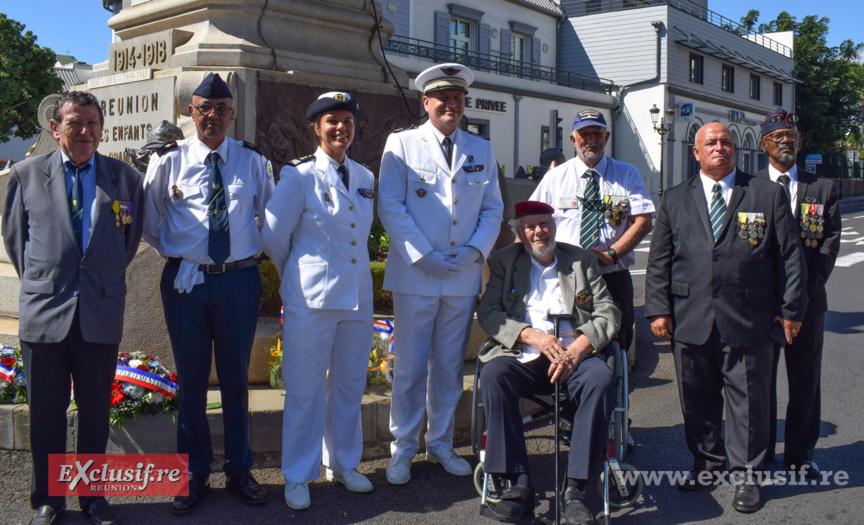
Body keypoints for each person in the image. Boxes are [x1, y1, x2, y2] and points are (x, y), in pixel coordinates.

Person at [645, 122, 807, 513]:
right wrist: (658, 308)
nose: (720, 148)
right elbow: (659, 260)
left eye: (726, 143)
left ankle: (748, 474)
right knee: (697, 400)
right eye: (711, 143)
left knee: (748, 402)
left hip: (749, 316)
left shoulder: (766, 193)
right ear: (696, 152)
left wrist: (790, 310)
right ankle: (707, 463)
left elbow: (790, 256)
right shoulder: (675, 197)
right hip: (690, 316)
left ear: (737, 150)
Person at [2, 91, 144, 525]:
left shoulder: (125, 178)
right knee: (45, 412)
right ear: (55, 128)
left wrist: (97, 279)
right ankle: (48, 499)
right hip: (46, 312)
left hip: (99, 312)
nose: (85, 132)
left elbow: (129, 241)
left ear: (102, 128)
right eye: (75, 123)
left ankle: (93, 496)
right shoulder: (25, 174)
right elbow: (16, 242)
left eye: (92, 124)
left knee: (96, 412)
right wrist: (47, 284)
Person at [142, 73, 275, 514]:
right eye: (204, 109)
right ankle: (193, 471)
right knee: (192, 379)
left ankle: (239, 467)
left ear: (232, 114)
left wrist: (236, 256)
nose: (212, 117)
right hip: (186, 284)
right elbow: (150, 219)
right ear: (190, 112)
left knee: (236, 380)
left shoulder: (252, 161)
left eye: (220, 110)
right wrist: (183, 256)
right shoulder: (168, 161)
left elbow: (266, 220)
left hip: (238, 280)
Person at [378, 62, 504, 484]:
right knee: (411, 367)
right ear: (425, 102)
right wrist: (421, 255)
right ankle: (403, 448)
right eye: (443, 99)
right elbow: (390, 205)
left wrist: (474, 250)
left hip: (462, 274)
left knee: (449, 367)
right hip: (417, 275)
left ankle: (442, 444)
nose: (451, 105)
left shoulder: (480, 149)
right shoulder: (402, 144)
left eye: (458, 99)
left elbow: (493, 207)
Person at [261, 92, 375, 510]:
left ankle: (342, 464)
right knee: (306, 391)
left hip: (357, 298)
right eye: (332, 121)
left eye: (347, 120)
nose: (341, 128)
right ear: (316, 128)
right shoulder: (299, 176)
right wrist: (299, 271)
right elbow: (273, 235)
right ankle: (297, 474)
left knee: (348, 387)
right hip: (311, 300)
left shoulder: (364, 177)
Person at [476, 201, 619, 524]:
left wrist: (580, 347)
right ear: (519, 233)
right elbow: (489, 312)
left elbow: (609, 312)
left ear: (554, 227)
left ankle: (576, 489)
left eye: (544, 224)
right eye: (530, 226)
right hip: (524, 354)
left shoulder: (581, 261)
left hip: (574, 356)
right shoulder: (504, 262)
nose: (539, 231)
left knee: (602, 380)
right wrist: (531, 335)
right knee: (495, 374)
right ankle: (518, 484)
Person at [754, 109, 841, 476]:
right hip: (758, 306)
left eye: (791, 136)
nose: (786, 141)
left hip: (807, 305)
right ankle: (759, 454)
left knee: (805, 382)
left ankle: (800, 455)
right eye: (778, 137)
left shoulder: (822, 189)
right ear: (764, 145)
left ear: (800, 143)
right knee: (758, 384)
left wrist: (797, 302)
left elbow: (827, 249)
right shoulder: (748, 187)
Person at [530, 109, 653, 359]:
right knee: (569, 345)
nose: (591, 139)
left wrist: (612, 253)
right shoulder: (555, 177)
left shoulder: (626, 174)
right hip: (564, 279)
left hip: (612, 277)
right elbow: (530, 222)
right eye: (584, 134)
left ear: (606, 137)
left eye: (596, 133)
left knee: (616, 346)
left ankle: (614, 393)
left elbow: (643, 220)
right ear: (573, 140)